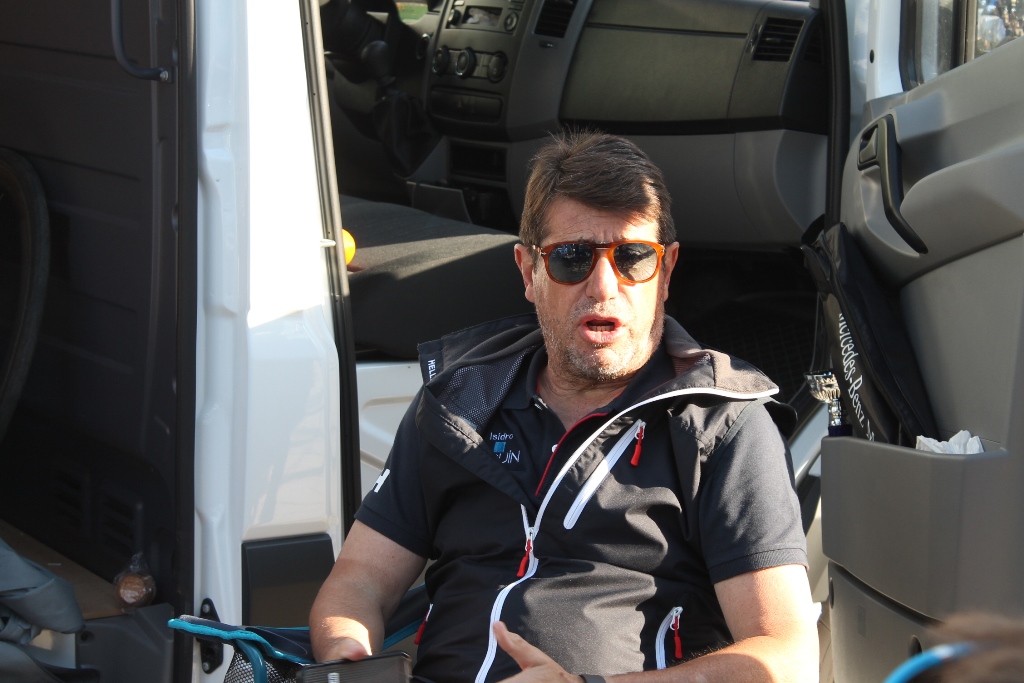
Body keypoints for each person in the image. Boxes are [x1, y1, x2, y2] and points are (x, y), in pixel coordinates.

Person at [309, 130, 818, 682]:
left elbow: (784, 658)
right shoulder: (458, 402)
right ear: (528, 272)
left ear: (666, 272)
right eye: (573, 258)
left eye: (633, 258)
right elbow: (359, 579)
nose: (604, 286)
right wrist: (348, 658)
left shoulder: (723, 424)